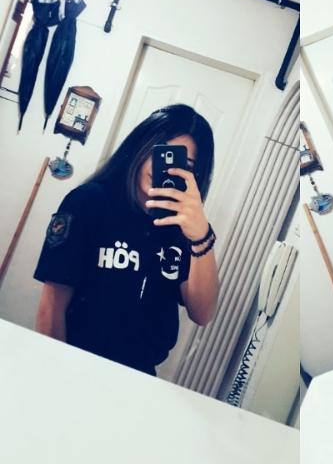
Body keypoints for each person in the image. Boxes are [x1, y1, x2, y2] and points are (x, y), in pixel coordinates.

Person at [34, 104, 219, 375]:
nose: (164, 168)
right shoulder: (89, 203)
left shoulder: (181, 228)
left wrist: (201, 235)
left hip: (140, 377)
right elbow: (51, 308)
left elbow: (202, 313)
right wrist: (55, 375)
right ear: (141, 145)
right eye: (160, 151)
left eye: (183, 165)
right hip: (76, 364)